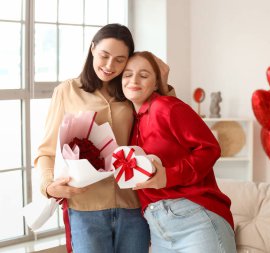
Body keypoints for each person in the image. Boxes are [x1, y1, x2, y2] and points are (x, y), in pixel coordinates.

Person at [34, 24, 173, 253]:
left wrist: (163, 82)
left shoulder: (132, 90)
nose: (110, 66)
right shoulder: (66, 92)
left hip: (133, 205)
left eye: (120, 59)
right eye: (104, 56)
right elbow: (46, 151)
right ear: (92, 49)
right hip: (86, 208)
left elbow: (166, 125)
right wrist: (48, 185)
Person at [121, 51, 237, 253]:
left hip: (196, 219)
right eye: (127, 74)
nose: (134, 80)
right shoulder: (131, 121)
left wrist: (169, 175)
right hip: (158, 229)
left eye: (144, 75)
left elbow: (210, 149)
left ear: (156, 83)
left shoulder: (166, 107)